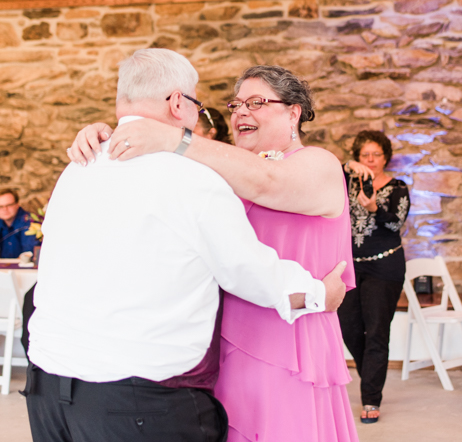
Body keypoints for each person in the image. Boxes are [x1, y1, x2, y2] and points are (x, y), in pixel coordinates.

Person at [27, 48, 348, 442]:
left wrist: (167, 136)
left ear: (294, 111)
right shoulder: (193, 174)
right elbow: (246, 267)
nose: (240, 112)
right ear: (179, 103)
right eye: (236, 104)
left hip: (285, 337)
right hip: (202, 353)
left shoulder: (82, 168)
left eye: (257, 102)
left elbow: (269, 182)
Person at [338, 130, 410, 424]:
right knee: (349, 329)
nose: (370, 160)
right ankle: (371, 374)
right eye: (364, 155)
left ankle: (370, 398)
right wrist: (346, 167)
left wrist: (373, 208)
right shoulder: (345, 181)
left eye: (376, 154)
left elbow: (396, 224)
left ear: (385, 157)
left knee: (377, 331)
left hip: (385, 267)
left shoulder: (398, 187)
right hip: (350, 267)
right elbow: (322, 178)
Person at [0, 189, 37, 259]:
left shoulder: (30, 222)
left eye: (9, 205)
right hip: (1, 268)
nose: (5, 209)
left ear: (17, 205)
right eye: (0, 207)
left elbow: (29, 253)